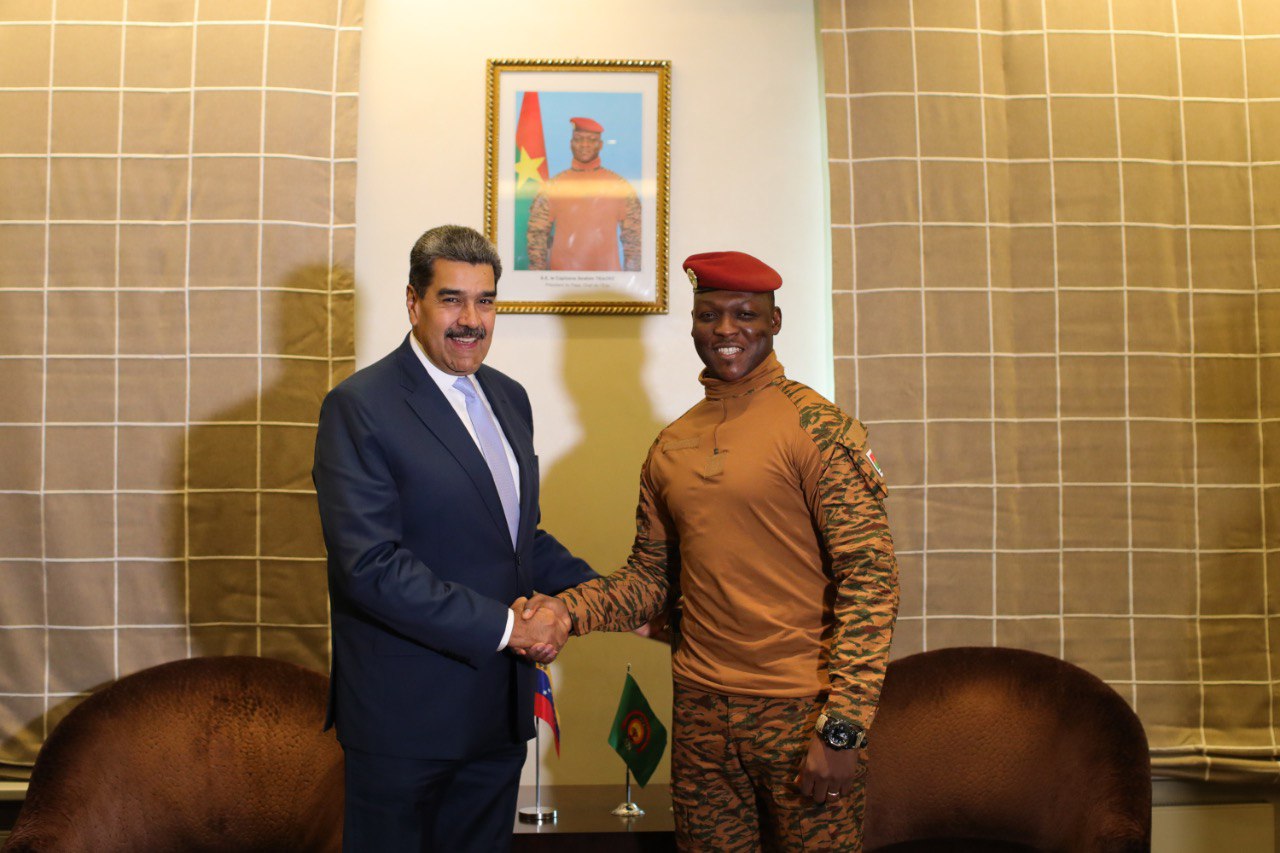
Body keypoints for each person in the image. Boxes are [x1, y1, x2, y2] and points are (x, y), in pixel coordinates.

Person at [525, 251, 899, 851]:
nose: (726, 330)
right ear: (694, 324)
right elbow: (649, 579)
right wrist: (568, 611)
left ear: (775, 321)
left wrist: (843, 728)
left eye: (745, 314)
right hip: (701, 716)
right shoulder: (672, 445)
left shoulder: (819, 430)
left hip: (800, 712)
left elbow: (871, 580)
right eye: (709, 315)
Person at [312, 225, 595, 852]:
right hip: (404, 725)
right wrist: (512, 628)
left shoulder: (510, 398)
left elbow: (517, 539)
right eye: (451, 300)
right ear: (413, 302)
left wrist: (615, 599)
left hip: (497, 717)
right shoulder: (359, 407)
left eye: (485, 301)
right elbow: (371, 566)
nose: (471, 320)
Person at [526, 116, 642, 272]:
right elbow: (536, 235)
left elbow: (635, 238)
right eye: (579, 139)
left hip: (608, 282)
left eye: (591, 140)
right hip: (561, 281)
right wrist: (538, 277)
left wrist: (631, 279)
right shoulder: (554, 187)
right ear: (571, 143)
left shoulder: (619, 187)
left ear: (600, 145)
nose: (584, 145)